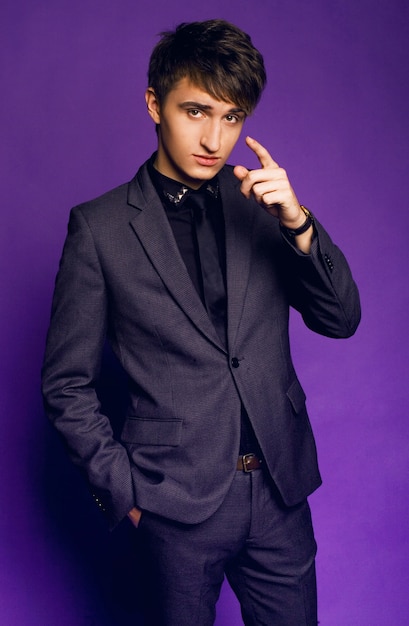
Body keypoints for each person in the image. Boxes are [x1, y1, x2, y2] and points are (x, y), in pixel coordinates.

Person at [42, 19, 361, 626]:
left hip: (279, 494)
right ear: (154, 105)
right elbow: (67, 384)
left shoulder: (264, 207)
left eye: (233, 118)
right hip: (172, 505)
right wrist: (127, 494)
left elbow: (341, 319)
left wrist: (298, 222)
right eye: (197, 111)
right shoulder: (100, 229)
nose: (215, 138)